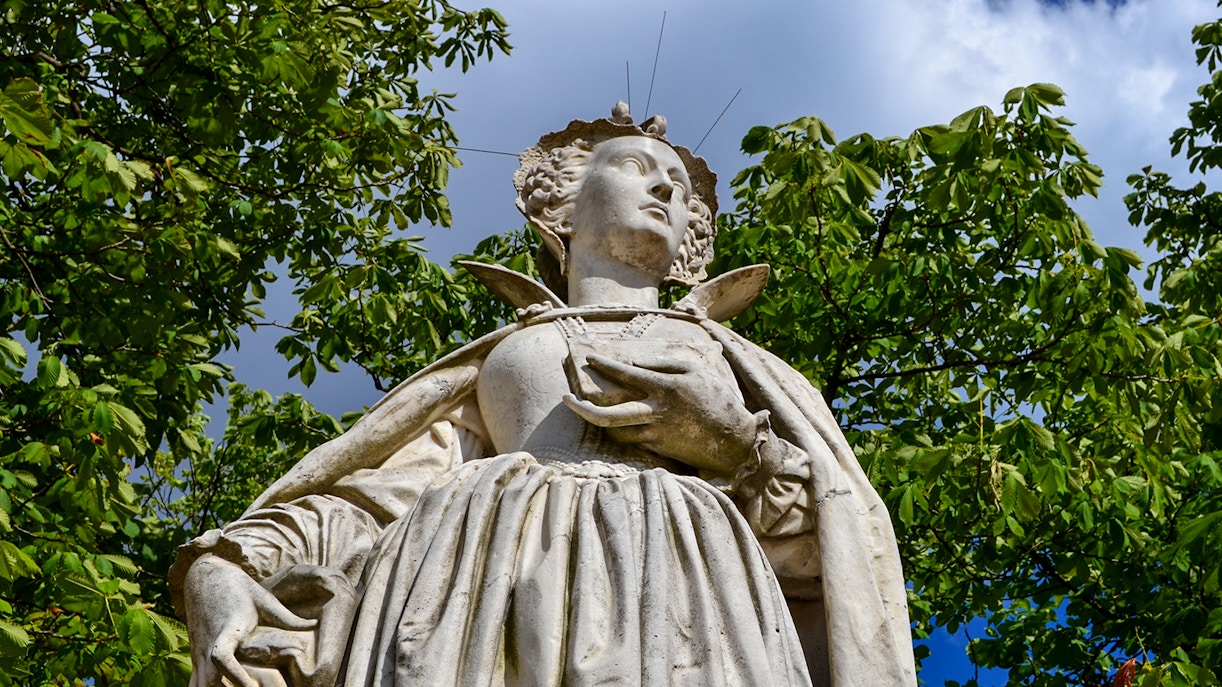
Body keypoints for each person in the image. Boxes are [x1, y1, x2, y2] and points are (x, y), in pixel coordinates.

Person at [172, 104, 917, 687]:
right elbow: (372, 503)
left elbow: (832, 553)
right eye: (635, 167)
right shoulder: (501, 358)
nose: (665, 187)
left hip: (687, 594)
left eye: (679, 185)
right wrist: (229, 565)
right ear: (561, 205)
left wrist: (734, 447)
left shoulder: (741, 365)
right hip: (477, 592)